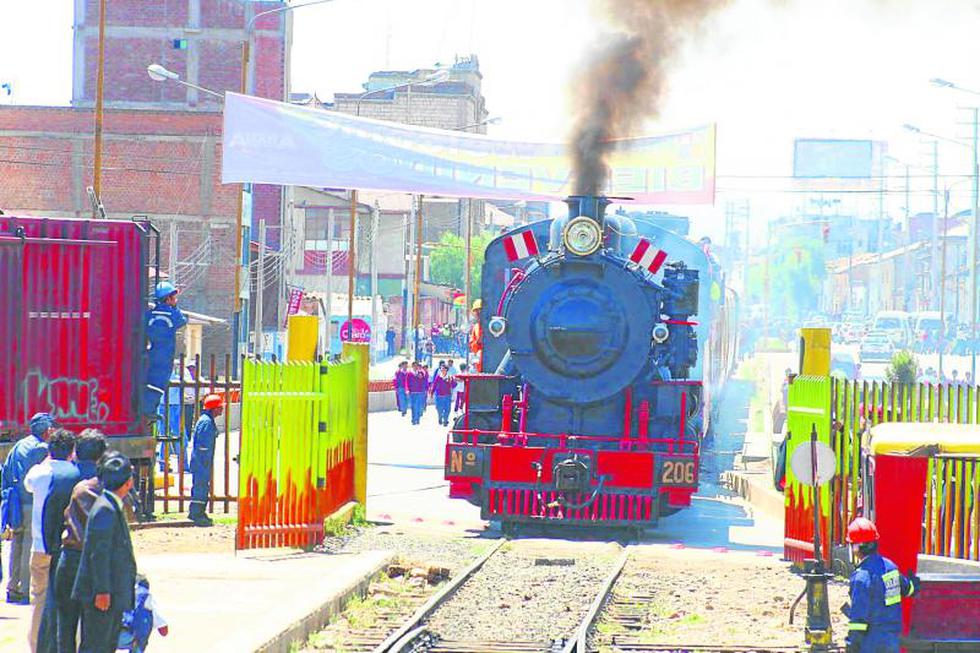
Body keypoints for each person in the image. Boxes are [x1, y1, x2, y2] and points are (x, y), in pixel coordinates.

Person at [72, 452, 138, 653]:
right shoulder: (105, 510)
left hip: (112, 592)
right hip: (101, 595)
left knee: (107, 644)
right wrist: (102, 590)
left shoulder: (110, 505)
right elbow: (98, 554)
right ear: (127, 483)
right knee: (97, 645)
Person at [23, 429, 78, 653]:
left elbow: (27, 485)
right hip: (65, 547)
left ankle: (37, 646)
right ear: (72, 451)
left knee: (39, 600)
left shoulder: (38, 473)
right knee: (68, 601)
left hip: (39, 546)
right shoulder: (75, 474)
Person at [54, 430, 108, 653]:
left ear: (76, 451)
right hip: (95, 564)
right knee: (93, 629)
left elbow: (51, 519)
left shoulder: (63, 479)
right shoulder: (105, 485)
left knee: (64, 627)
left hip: (66, 557)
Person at [2, 412, 55, 604]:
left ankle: (12, 585)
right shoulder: (41, 448)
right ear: (48, 430)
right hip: (30, 503)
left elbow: (6, 472)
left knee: (16, 543)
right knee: (27, 545)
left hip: (14, 503)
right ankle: (24, 589)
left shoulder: (19, 445)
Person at [843, 517, 917, 653]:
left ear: (856, 547)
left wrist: (852, 644)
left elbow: (858, 620)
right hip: (891, 641)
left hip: (870, 643)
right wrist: (914, 582)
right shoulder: (890, 568)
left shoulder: (861, 577)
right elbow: (908, 589)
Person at [143, 281, 188, 419]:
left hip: (152, 351)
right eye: (173, 298)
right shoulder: (173, 314)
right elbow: (182, 321)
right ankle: (148, 410)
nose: (175, 301)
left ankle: (147, 408)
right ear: (168, 299)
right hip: (165, 354)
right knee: (159, 382)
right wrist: (175, 308)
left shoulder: (150, 314)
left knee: (150, 380)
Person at [188, 394, 224, 527]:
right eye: (220, 407)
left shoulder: (206, 420)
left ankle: (199, 512)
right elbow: (203, 446)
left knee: (202, 486)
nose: (222, 409)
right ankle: (196, 514)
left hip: (202, 461)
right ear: (214, 408)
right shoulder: (206, 422)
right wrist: (204, 463)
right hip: (201, 462)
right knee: (200, 486)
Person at [116, 575, 168, 652]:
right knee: (140, 639)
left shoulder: (121, 596)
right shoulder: (148, 599)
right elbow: (164, 630)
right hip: (133, 638)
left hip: (112, 635)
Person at [469, 300, 483, 372]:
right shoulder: (476, 327)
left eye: (480, 311)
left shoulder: (494, 326)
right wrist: (478, 342)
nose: (478, 314)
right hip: (480, 365)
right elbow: (473, 347)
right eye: (476, 312)